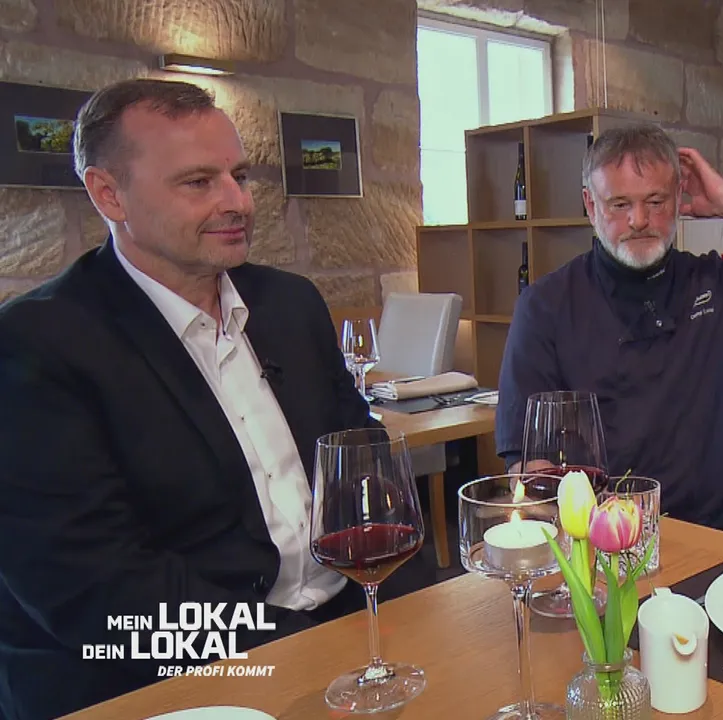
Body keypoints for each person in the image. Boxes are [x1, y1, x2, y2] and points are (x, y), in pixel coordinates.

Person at [0, 79, 431, 719]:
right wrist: (303, 654)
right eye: (198, 182)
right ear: (109, 194)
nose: (237, 202)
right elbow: (94, 590)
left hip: (349, 634)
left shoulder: (290, 303)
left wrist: (417, 612)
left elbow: (365, 467)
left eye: (240, 176)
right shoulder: (37, 343)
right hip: (162, 680)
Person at [496, 124, 723, 546]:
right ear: (590, 206)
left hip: (713, 523)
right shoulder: (545, 305)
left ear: (678, 198)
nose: (639, 220)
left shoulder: (709, 282)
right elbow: (529, 470)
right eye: (619, 204)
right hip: (604, 535)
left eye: (656, 202)